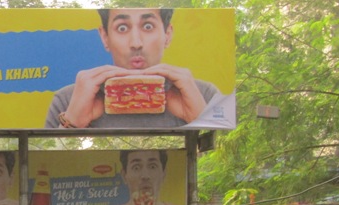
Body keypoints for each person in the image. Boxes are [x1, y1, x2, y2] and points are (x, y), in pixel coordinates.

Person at [45, 8, 222, 129]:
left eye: (147, 26)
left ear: (167, 35)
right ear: (105, 37)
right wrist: (72, 123)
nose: (136, 43)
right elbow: (43, 168)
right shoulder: (68, 99)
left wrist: (201, 120)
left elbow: (233, 164)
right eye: (122, 28)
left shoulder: (204, 94)